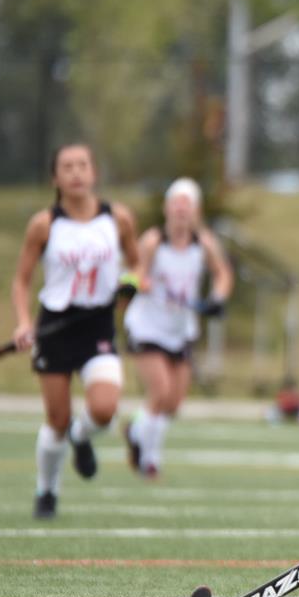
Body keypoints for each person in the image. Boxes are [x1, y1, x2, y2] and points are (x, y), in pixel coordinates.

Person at [10, 142, 142, 519]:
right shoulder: (44, 225)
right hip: (55, 327)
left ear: (94, 172)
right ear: (56, 177)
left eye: (82, 165)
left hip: (97, 325)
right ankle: (46, 492)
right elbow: (21, 281)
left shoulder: (117, 219)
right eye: (67, 167)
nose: (76, 173)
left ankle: (81, 438)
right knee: (56, 419)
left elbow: (137, 264)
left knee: (104, 409)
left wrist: (130, 283)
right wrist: (23, 322)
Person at [122, 178, 234, 480]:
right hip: (148, 326)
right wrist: (136, 283)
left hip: (181, 328)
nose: (181, 210)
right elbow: (135, 275)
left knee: (173, 402)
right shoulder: (153, 241)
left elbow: (223, 275)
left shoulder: (204, 244)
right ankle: (150, 459)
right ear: (167, 208)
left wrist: (217, 299)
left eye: (188, 204)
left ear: (196, 210)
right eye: (176, 203)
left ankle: (136, 428)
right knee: (160, 391)